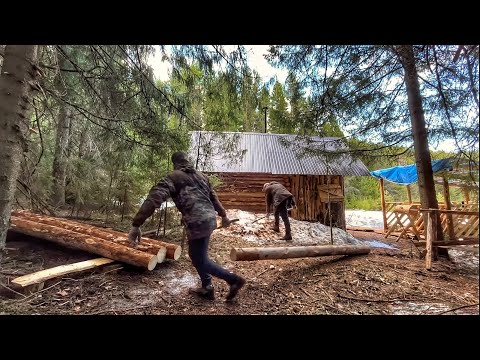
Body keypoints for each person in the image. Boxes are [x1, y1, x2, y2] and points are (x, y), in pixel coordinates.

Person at [128, 151, 246, 302]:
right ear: (188, 160)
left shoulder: (173, 177)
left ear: (175, 163)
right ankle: (207, 287)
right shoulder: (202, 177)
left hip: (197, 222)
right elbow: (214, 198)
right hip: (209, 220)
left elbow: (154, 198)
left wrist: (136, 224)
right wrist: (223, 216)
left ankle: (233, 280)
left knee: (199, 260)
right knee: (198, 256)